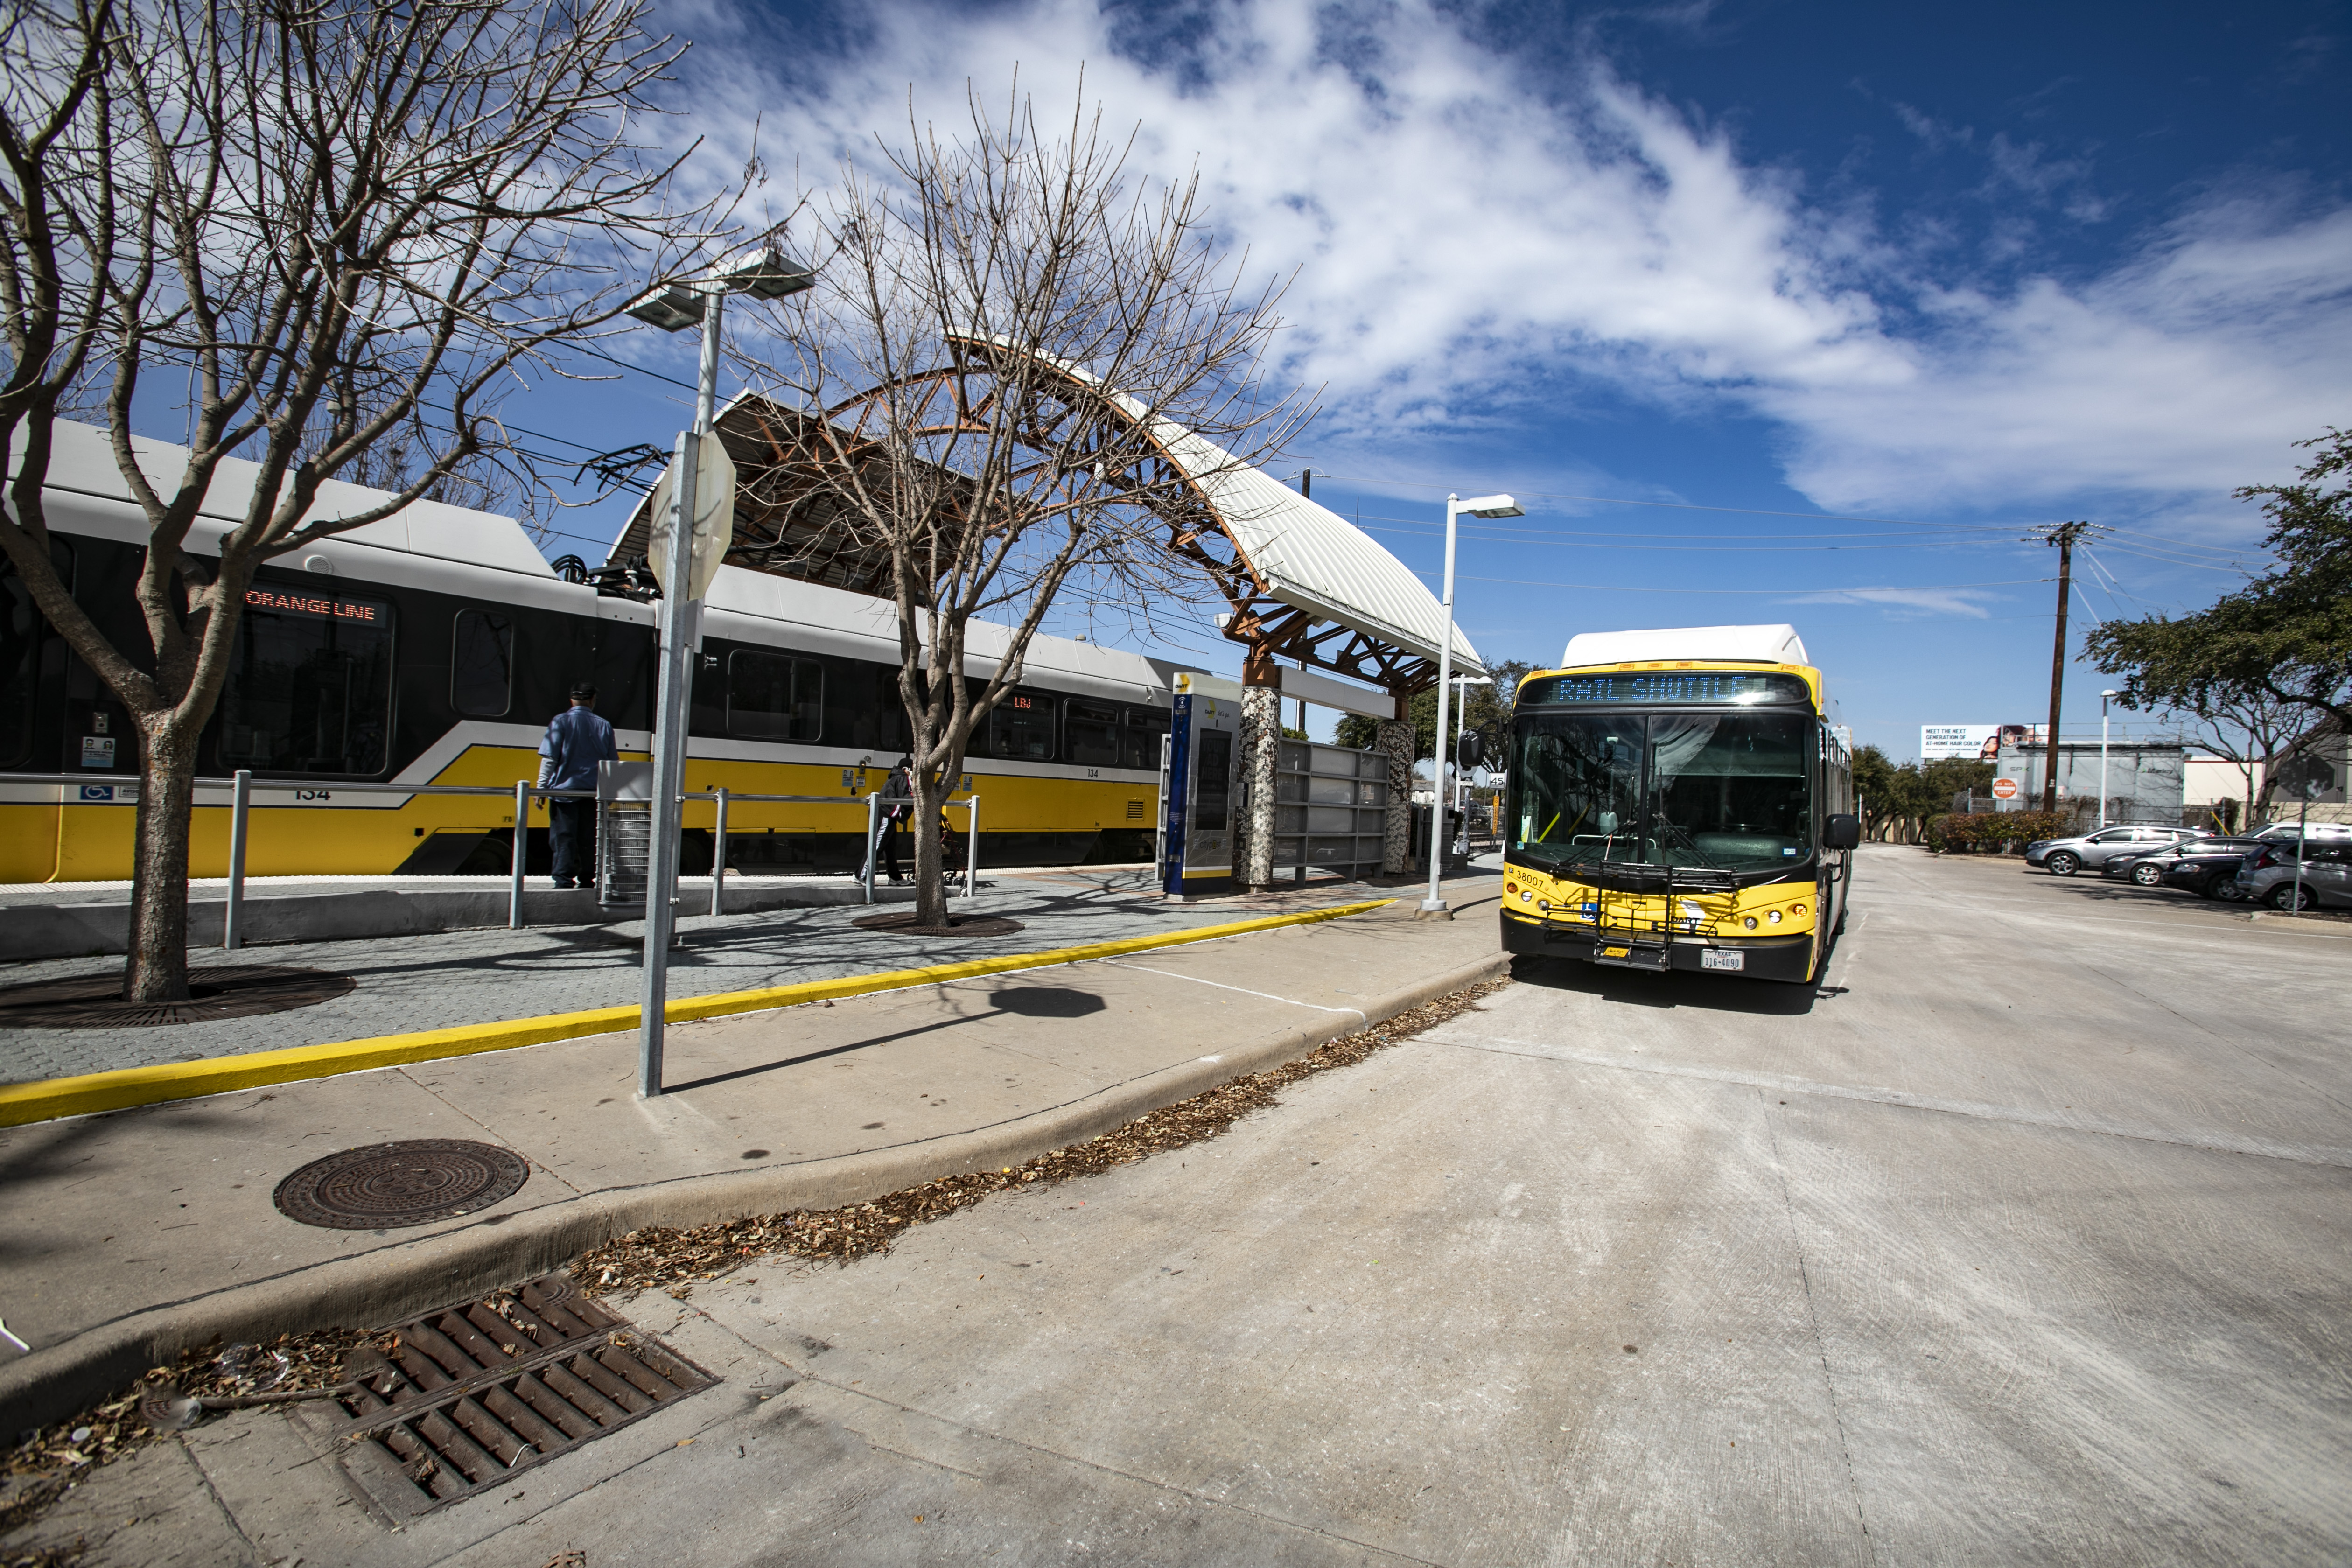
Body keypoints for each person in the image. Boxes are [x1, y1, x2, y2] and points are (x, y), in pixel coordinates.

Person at [539, 683, 618, 889]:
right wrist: (610, 793)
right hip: (593, 792)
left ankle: (563, 880)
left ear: (571, 700)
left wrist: (541, 788)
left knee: (563, 837)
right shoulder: (604, 725)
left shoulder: (560, 722)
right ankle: (587, 879)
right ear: (593, 700)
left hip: (564, 793)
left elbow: (550, 758)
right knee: (589, 837)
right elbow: (611, 764)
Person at [880, 756, 913, 883]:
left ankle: (895, 877)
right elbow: (908, 798)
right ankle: (860, 875)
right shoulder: (904, 778)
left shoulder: (896, 778)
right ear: (907, 769)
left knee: (890, 847)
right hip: (886, 813)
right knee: (878, 845)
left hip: (889, 814)